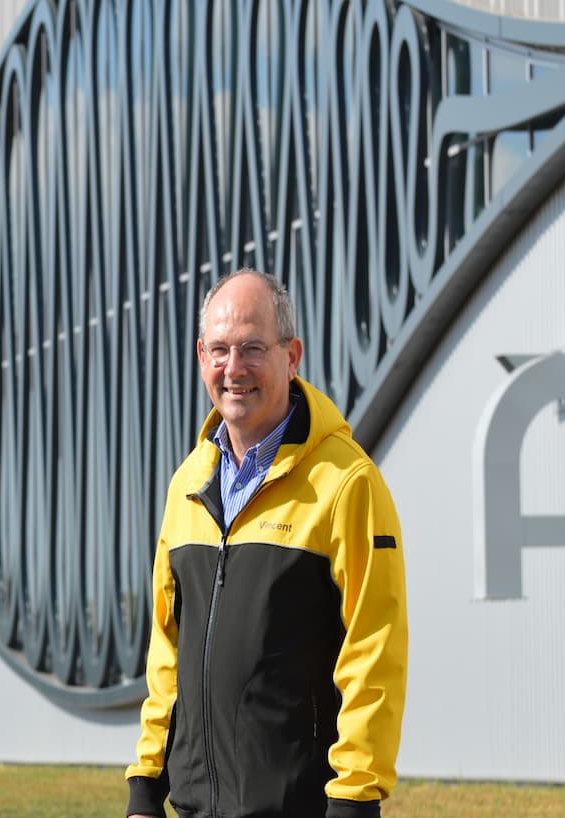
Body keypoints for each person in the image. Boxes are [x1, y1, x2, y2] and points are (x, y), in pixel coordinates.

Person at [125, 269, 408, 818]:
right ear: (201, 355)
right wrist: (145, 787)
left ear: (292, 355)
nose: (234, 369)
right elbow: (167, 652)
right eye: (220, 350)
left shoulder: (347, 483)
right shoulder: (186, 485)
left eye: (253, 348)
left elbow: (375, 654)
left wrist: (354, 799)